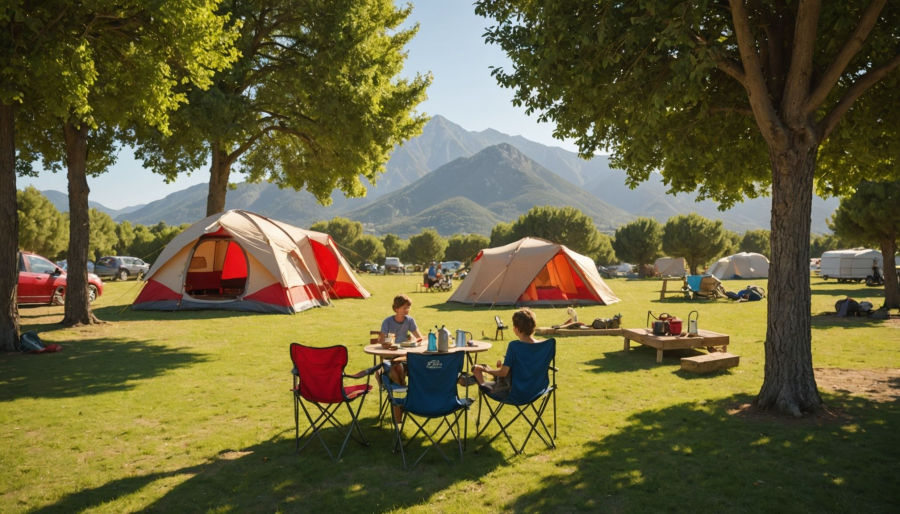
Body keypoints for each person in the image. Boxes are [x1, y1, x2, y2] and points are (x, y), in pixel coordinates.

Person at [472, 307, 541, 396]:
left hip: (515, 391)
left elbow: (503, 373)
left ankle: (475, 381)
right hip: (537, 389)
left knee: (478, 370)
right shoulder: (543, 345)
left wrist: (487, 370)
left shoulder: (514, 346)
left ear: (516, 328)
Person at [378, 294, 423, 420]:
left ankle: (399, 400)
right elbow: (381, 341)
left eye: (408, 308)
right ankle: (403, 400)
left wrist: (414, 339)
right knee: (397, 368)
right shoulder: (387, 322)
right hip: (391, 357)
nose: (407, 311)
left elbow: (419, 338)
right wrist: (385, 343)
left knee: (398, 368)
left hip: (405, 356)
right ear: (396, 308)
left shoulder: (410, 320)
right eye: (404, 308)